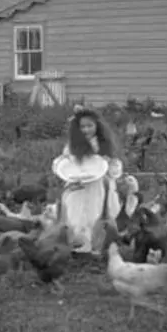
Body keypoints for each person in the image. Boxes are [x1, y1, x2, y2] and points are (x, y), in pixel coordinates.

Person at [55, 105, 124, 255]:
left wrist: (108, 164)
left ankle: (97, 244)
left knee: (96, 212)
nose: (86, 130)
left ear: (97, 126)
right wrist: (68, 171)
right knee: (77, 213)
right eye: (82, 127)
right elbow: (68, 164)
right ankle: (77, 243)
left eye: (89, 126)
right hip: (79, 185)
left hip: (98, 185)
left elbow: (114, 167)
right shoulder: (72, 145)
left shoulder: (104, 143)